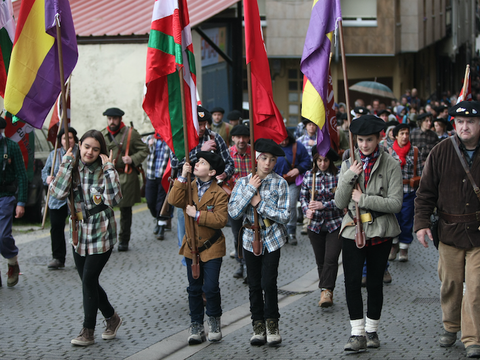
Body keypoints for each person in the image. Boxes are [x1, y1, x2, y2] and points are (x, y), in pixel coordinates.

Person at [414, 101, 480, 359]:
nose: (465, 126)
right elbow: (425, 193)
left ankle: (473, 338)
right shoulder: (441, 151)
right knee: (451, 284)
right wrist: (420, 224)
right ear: (454, 124)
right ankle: (451, 326)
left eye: (471, 122)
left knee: (475, 288)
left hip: (478, 234)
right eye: (461, 122)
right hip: (449, 232)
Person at [334, 115, 403, 352]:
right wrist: (349, 176)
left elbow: (395, 204)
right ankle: (357, 334)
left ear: (379, 138)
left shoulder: (391, 164)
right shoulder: (347, 163)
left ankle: (372, 330)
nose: (364, 145)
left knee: (374, 283)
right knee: (352, 282)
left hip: (381, 231)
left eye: (369, 140)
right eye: (360, 140)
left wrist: (364, 199)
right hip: (353, 230)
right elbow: (339, 201)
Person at [50, 130, 123, 346]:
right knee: (87, 280)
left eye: (95, 149)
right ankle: (112, 317)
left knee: (89, 279)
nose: (90, 152)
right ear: (79, 145)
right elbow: (57, 193)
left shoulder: (105, 170)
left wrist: (109, 168)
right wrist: (66, 163)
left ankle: (87, 331)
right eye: (86, 147)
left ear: (101, 152)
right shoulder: (71, 167)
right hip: (78, 230)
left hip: (101, 229)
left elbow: (114, 199)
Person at [228, 138, 290, 347]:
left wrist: (260, 204)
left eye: (272, 160)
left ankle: (273, 325)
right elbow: (234, 212)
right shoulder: (243, 182)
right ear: (257, 158)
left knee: (268, 282)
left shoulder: (280, 182)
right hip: (249, 238)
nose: (267, 164)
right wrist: (249, 191)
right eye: (264, 158)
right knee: (254, 284)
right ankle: (258, 326)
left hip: (272, 237)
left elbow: (284, 216)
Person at [167, 151, 228, 345]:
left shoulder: (219, 192)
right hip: (192, 247)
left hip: (212, 247)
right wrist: (182, 176)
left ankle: (214, 320)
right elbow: (173, 200)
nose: (196, 164)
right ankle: (196, 325)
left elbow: (220, 220)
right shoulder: (188, 186)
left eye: (202, 163)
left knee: (210, 288)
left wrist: (198, 215)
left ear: (211, 172)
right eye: (197, 162)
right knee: (193, 289)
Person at [170, 106, 234, 264]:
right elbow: (175, 163)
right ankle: (189, 261)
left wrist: (224, 174)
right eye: (199, 124)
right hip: (186, 189)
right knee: (184, 223)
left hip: (210, 190)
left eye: (205, 123)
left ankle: (208, 258)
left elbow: (230, 163)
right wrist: (200, 151)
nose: (203, 127)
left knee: (209, 224)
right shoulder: (180, 138)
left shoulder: (214, 137)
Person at [300, 146, 343, 307]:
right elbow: (303, 197)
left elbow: (342, 199)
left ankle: (326, 290)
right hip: (315, 225)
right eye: (319, 160)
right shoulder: (309, 176)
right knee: (321, 261)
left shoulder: (338, 175)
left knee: (331, 258)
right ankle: (325, 291)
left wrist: (324, 205)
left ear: (330, 161)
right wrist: (306, 210)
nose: (322, 164)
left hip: (335, 223)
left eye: (325, 160)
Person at [101, 107, 148, 251]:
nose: (112, 121)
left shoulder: (130, 134)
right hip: (107, 176)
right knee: (105, 210)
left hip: (126, 176)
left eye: (114, 119)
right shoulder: (102, 134)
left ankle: (123, 240)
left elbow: (144, 149)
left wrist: (132, 158)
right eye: (109, 119)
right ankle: (107, 239)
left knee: (125, 211)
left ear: (120, 119)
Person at [41, 126, 79, 269]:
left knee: (77, 226)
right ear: (60, 140)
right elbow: (45, 172)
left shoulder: (80, 153)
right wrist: (48, 178)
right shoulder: (54, 154)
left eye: (70, 137)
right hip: (57, 198)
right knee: (56, 227)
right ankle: (58, 257)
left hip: (75, 197)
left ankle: (79, 256)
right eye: (64, 138)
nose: (67, 141)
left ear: (74, 139)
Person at [388, 124, 422, 262]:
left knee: (407, 220)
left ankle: (404, 248)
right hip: (393, 192)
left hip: (409, 192)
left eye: (407, 133)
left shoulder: (414, 151)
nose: (404, 136)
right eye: (401, 133)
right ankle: (393, 245)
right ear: (396, 136)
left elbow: (420, 172)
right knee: (393, 219)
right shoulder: (390, 152)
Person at [0, 116, 27, 287]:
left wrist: (21, 202)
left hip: (5, 196)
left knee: (2, 236)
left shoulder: (11, 146)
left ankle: (12, 261)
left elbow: (22, 176)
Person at [273, 131, 310, 245]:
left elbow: (307, 161)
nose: (284, 142)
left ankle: (291, 231)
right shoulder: (273, 146)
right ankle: (281, 231)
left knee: (291, 205)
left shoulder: (298, 146)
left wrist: (298, 169)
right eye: (281, 139)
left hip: (293, 181)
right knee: (279, 206)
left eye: (286, 140)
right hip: (277, 181)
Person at [228, 125, 252, 280]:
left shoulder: (255, 154)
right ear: (233, 138)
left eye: (244, 137)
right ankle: (241, 262)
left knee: (252, 232)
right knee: (238, 233)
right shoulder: (227, 155)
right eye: (238, 137)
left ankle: (251, 265)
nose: (241, 140)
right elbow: (219, 178)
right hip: (234, 201)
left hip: (252, 201)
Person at [145, 133, 171, 240]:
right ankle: (158, 219)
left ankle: (161, 226)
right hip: (151, 175)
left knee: (161, 202)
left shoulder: (169, 139)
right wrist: (148, 146)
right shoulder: (149, 139)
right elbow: (142, 153)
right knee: (150, 201)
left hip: (164, 176)